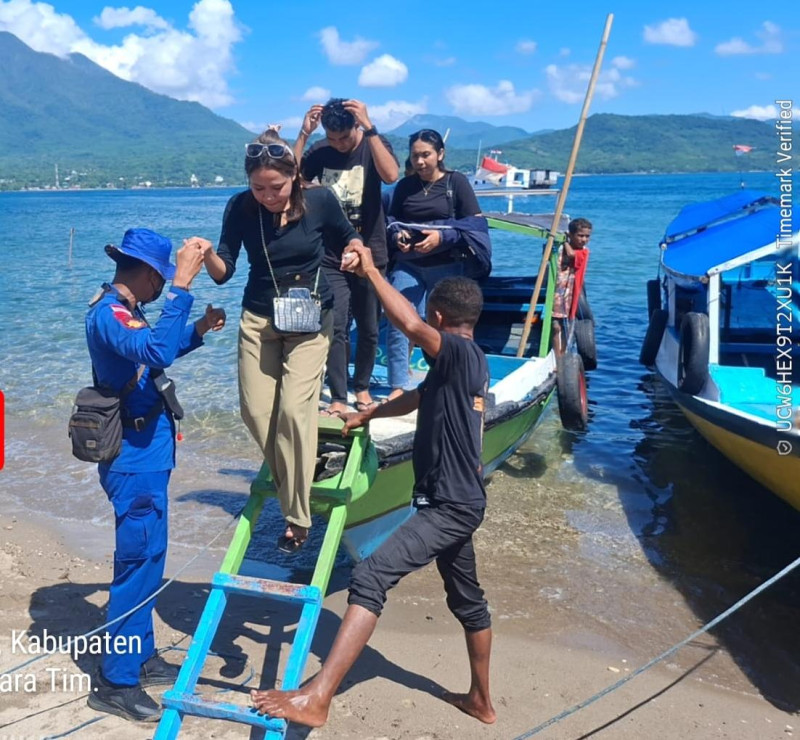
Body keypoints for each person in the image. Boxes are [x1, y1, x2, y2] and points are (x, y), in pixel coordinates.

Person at [251, 243, 496, 729]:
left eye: (431, 318)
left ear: (439, 314)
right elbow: (413, 401)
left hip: (448, 506)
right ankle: (481, 702)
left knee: (368, 578)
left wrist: (371, 272)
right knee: (468, 600)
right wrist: (367, 413)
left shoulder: (459, 351)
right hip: (462, 500)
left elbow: (408, 326)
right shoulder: (470, 362)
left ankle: (318, 697)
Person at [85, 228, 226, 722]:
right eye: (162, 279)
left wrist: (198, 331)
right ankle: (115, 681)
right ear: (147, 273)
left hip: (146, 453)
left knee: (149, 560)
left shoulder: (127, 309)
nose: (164, 287)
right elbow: (153, 354)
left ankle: (139, 658)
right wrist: (185, 288)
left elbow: (154, 350)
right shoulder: (108, 313)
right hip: (132, 457)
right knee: (136, 563)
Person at [202, 127, 362, 552]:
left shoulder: (321, 200)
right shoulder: (239, 206)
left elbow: (349, 236)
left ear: (294, 176)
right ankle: (301, 471)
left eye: (276, 187)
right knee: (256, 413)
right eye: (259, 187)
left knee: (293, 411)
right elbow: (224, 272)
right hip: (258, 318)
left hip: (311, 318)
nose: (268, 195)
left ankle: (298, 516)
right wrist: (206, 257)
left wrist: (353, 251)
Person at [294, 98, 398, 416]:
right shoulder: (320, 151)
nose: (338, 145)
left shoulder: (372, 143)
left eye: (344, 137)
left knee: (368, 327)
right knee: (336, 326)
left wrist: (370, 127)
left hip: (370, 250)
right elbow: (288, 178)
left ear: (356, 126)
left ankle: (362, 387)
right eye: (332, 138)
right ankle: (338, 395)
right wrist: (304, 135)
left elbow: (392, 174)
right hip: (329, 255)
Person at [386, 128, 491, 399]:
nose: (420, 162)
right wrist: (398, 234)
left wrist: (441, 237)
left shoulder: (456, 183)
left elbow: (475, 225)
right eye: (414, 156)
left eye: (426, 155)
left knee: (447, 327)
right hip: (409, 264)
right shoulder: (405, 186)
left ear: (440, 154)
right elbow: (392, 219)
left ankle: (455, 379)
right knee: (400, 321)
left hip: (447, 266)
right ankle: (399, 385)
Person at [552, 218, 592, 355]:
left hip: (569, 293)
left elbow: (571, 254)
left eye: (587, 236)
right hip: (559, 291)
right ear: (572, 235)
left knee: (563, 324)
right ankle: (557, 353)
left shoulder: (584, 252)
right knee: (556, 325)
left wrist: (565, 240)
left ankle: (561, 355)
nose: (584, 239)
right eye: (581, 236)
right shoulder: (563, 249)